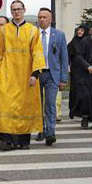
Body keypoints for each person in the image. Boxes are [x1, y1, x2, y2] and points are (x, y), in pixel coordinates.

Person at [0, 0, 45, 150]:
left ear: (24, 10)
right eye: (13, 10)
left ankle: (23, 141)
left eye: (19, 9)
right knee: (5, 105)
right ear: (11, 12)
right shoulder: (4, 30)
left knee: (24, 107)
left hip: (25, 75)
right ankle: (6, 140)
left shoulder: (33, 30)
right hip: (7, 74)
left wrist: (35, 74)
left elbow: (37, 53)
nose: (16, 12)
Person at [34, 8, 68, 146]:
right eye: (40, 17)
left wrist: (63, 78)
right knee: (37, 104)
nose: (41, 19)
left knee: (50, 103)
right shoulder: (33, 34)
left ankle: (50, 132)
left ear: (50, 19)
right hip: (36, 73)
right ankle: (40, 129)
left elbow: (63, 57)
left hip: (51, 74)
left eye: (44, 17)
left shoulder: (59, 35)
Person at [67, 25, 88, 120]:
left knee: (84, 92)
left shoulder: (87, 42)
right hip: (75, 70)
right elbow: (67, 56)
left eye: (82, 30)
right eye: (78, 30)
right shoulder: (73, 42)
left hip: (85, 69)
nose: (79, 32)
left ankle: (83, 112)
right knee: (74, 90)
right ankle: (72, 109)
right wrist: (67, 67)